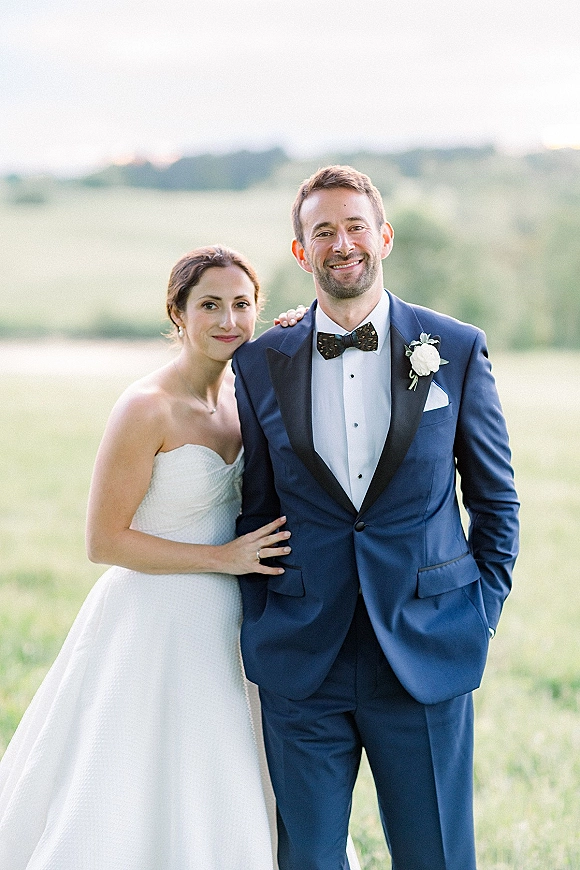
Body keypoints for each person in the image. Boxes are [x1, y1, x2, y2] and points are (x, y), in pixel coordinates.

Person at [0, 244, 360, 870]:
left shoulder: (247, 397)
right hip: (155, 618)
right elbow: (103, 541)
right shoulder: (146, 408)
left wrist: (298, 337)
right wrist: (223, 558)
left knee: (234, 768)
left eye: (242, 305)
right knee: (138, 779)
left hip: (236, 618)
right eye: (210, 305)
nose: (229, 320)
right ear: (179, 313)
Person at [233, 166, 520, 870]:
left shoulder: (453, 347)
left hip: (425, 648)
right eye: (322, 231)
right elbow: (255, 506)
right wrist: (266, 617)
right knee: (306, 858)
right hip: (304, 659)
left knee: (437, 857)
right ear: (301, 252)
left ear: (383, 236)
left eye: (355, 225)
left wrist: (478, 612)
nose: (342, 242)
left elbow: (496, 499)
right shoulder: (260, 362)